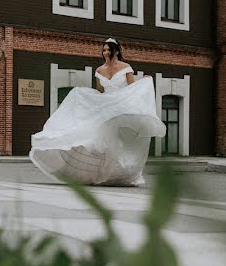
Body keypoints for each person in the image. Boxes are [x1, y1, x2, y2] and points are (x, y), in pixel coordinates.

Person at [29, 38, 166, 186]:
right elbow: (100, 91)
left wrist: (143, 82)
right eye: (104, 50)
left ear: (117, 51)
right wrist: (89, 100)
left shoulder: (126, 67)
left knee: (118, 141)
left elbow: (132, 88)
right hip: (107, 108)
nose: (106, 52)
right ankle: (104, 172)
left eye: (109, 50)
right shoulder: (99, 70)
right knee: (103, 141)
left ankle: (119, 172)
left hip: (121, 107)